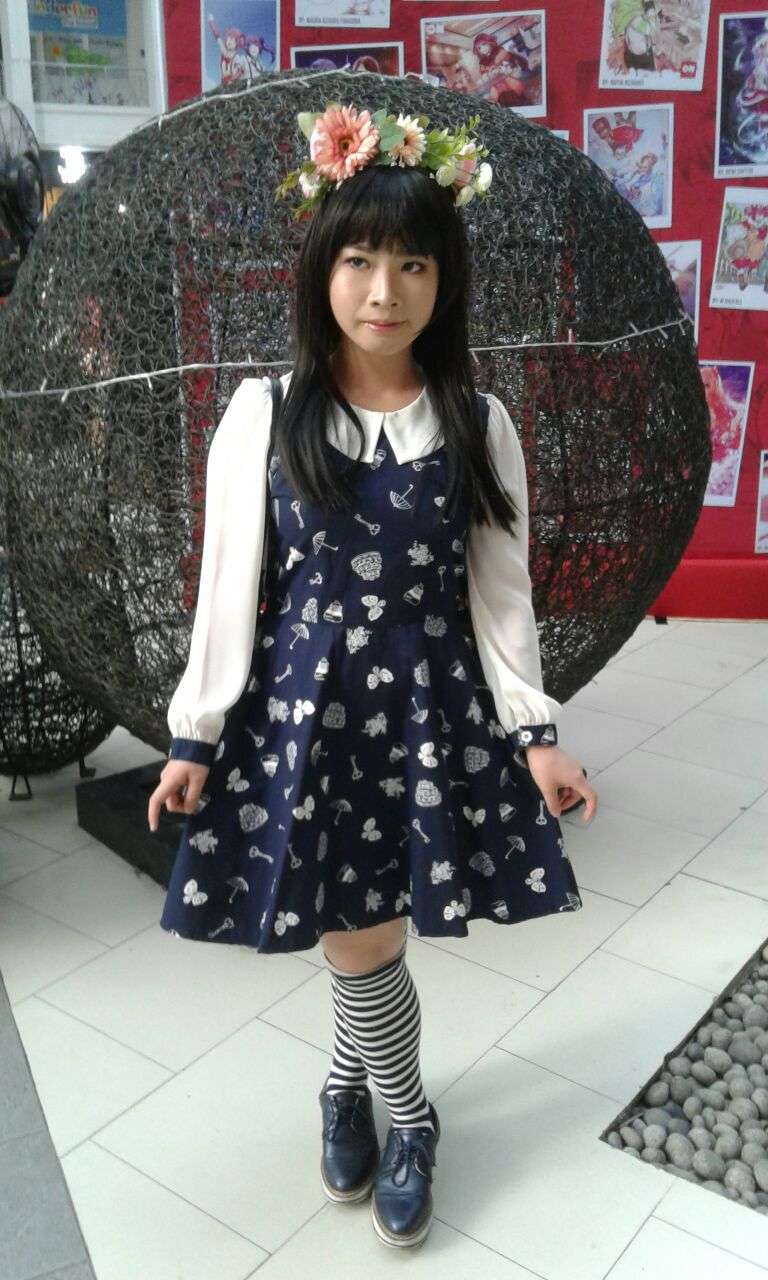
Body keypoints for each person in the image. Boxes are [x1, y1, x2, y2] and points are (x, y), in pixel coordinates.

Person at [147, 101, 598, 1251]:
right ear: (321, 268)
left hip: (424, 709)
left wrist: (536, 730)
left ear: (445, 279)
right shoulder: (265, 413)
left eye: (412, 263)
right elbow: (226, 584)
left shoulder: (478, 420)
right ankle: (408, 1112)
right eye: (359, 260)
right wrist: (197, 731)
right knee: (360, 938)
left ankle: (355, 1092)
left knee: (368, 930)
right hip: (308, 711)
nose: (384, 290)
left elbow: (500, 595)